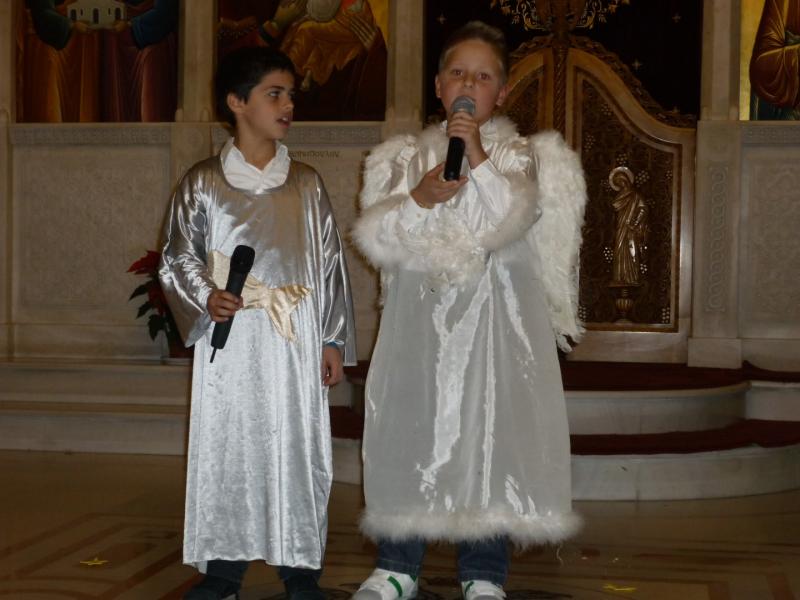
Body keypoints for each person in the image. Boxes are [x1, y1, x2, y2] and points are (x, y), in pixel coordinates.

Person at [350, 21, 585, 600]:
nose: (468, 85)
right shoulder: (405, 158)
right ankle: (396, 565)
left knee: (489, 437)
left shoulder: (520, 156)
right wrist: (419, 197)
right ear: (438, 85)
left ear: (500, 93)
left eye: (482, 77)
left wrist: (476, 154)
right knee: (411, 430)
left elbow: (510, 218)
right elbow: (380, 239)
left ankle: (484, 572)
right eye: (458, 73)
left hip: (494, 327)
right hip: (421, 324)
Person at [158, 46, 356, 600]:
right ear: (237, 102)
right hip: (232, 344)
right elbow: (178, 255)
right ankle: (223, 571)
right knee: (229, 447)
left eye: (291, 94)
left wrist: (332, 337)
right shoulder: (203, 183)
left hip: (293, 341)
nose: (288, 104)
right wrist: (206, 296)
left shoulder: (307, 184)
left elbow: (330, 265)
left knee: (296, 446)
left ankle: (300, 570)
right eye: (275, 93)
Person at [609, 166, 647, 286]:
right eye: (617, 183)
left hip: (630, 229)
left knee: (631, 251)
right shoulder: (619, 197)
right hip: (621, 227)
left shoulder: (635, 195)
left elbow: (643, 209)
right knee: (619, 250)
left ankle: (631, 277)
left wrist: (634, 224)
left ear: (625, 180)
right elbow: (614, 209)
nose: (620, 184)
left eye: (621, 181)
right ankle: (620, 277)